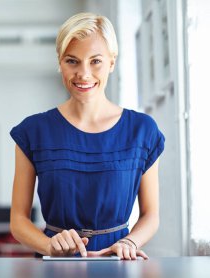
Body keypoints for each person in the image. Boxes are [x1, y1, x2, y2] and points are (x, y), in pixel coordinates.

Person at [9, 12, 165, 260]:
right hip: (55, 264)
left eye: (95, 61)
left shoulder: (142, 130)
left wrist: (129, 242)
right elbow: (18, 221)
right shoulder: (32, 131)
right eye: (72, 61)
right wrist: (50, 246)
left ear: (112, 62)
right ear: (60, 61)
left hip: (117, 262)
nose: (83, 74)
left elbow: (151, 214)